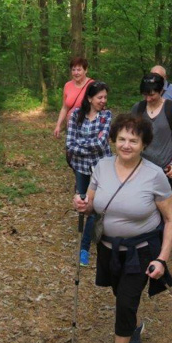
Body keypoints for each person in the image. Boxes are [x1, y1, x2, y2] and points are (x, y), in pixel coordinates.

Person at [73, 114, 172, 343]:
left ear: (144, 144)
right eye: (122, 139)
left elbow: (171, 218)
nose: (127, 145)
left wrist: (162, 258)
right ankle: (134, 325)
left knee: (125, 302)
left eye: (134, 140)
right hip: (108, 248)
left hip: (142, 251)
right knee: (120, 294)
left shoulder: (154, 175)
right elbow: (92, 205)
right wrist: (83, 205)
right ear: (113, 141)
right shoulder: (101, 167)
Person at [67, 82, 112, 266]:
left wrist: (81, 145)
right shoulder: (76, 115)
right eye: (100, 97)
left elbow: (101, 144)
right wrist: (88, 146)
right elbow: (70, 144)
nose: (103, 101)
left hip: (102, 168)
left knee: (97, 206)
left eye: (105, 97)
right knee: (83, 204)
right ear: (90, 98)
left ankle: (85, 247)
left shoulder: (106, 116)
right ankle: (86, 241)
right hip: (81, 168)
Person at [132, 75, 172, 186]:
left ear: (161, 91)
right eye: (145, 95)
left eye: (151, 95)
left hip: (164, 167)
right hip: (140, 166)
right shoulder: (138, 108)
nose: (148, 99)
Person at [53, 57, 93, 139]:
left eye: (79, 70)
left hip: (88, 129)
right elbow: (64, 108)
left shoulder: (92, 85)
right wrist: (58, 125)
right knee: (71, 151)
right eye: (73, 70)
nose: (76, 73)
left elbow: (100, 107)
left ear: (85, 70)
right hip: (70, 128)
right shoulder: (67, 85)